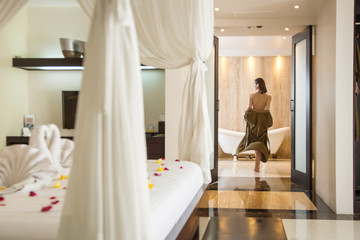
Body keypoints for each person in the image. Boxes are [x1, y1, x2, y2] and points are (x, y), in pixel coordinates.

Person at [235, 78, 273, 172]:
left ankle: (257, 166)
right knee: (259, 144)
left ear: (257, 85)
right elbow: (267, 111)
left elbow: (249, 109)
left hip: (253, 123)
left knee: (257, 144)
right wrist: (264, 120)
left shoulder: (252, 95)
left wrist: (248, 116)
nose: (253, 85)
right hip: (262, 123)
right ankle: (257, 165)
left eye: (254, 84)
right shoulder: (268, 97)